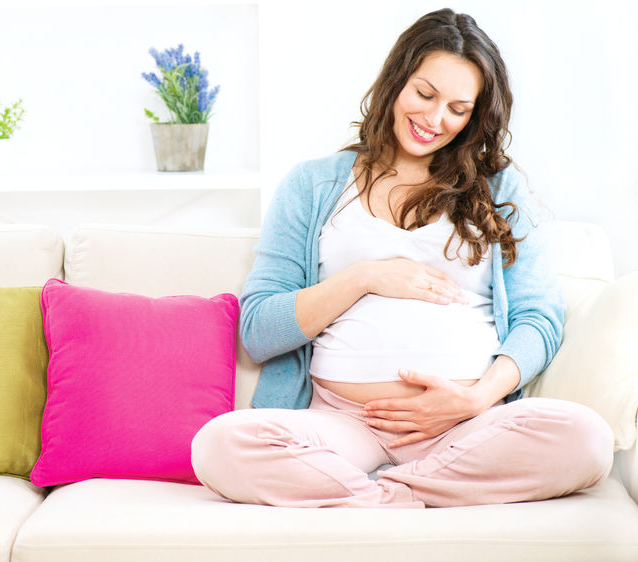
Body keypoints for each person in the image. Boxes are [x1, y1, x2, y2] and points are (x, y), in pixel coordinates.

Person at [190, 8, 613, 508]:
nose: (435, 120)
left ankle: (381, 498)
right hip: (342, 426)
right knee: (219, 445)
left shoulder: (500, 190)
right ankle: (423, 495)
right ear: (396, 81)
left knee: (586, 439)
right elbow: (259, 330)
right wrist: (365, 278)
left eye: (457, 108)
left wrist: (475, 398)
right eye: (425, 94)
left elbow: (538, 319)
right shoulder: (313, 185)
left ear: (475, 115)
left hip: (464, 425)